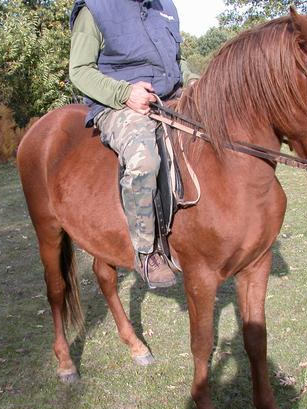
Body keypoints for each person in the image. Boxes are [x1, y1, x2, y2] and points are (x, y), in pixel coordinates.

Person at [69, 0, 199, 288]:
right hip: (119, 104)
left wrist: (194, 82)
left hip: (169, 98)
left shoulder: (165, 7)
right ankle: (146, 251)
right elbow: (79, 70)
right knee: (144, 160)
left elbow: (178, 59)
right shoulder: (95, 9)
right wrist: (125, 92)